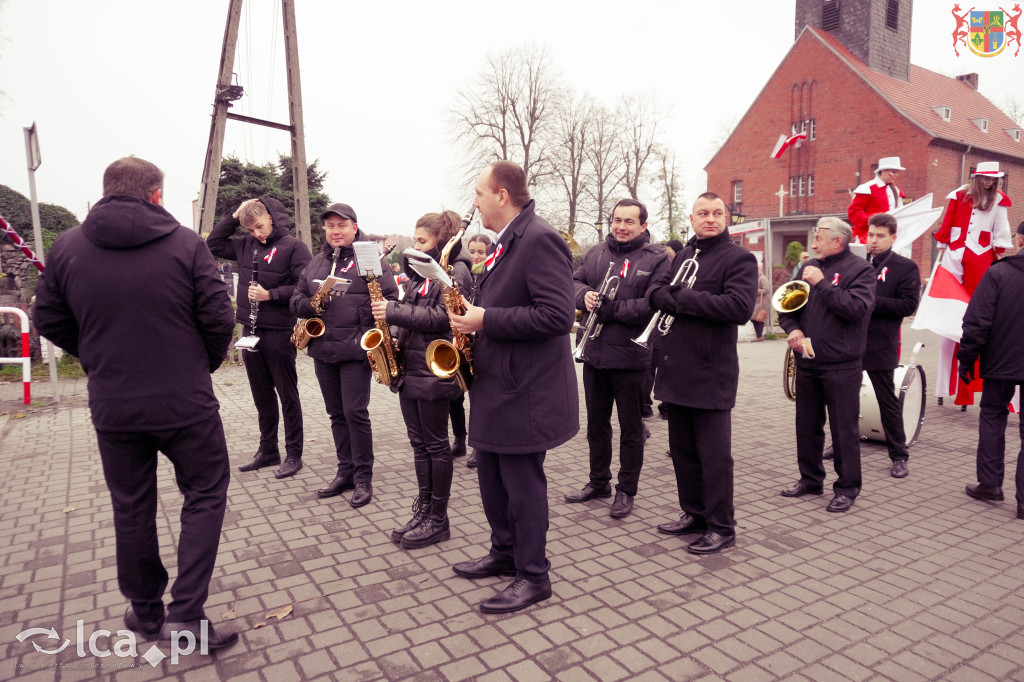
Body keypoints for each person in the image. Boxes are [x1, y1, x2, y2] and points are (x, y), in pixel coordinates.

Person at [32, 157, 238, 649]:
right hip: (184, 403)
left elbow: (49, 319)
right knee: (205, 493)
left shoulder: (67, 247)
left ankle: (146, 614)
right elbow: (218, 317)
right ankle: (185, 615)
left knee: (131, 507)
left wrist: (98, 357)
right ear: (156, 195)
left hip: (114, 404)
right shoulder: (185, 243)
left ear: (105, 192)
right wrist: (197, 366)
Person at [449, 161, 578, 614]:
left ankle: (534, 575)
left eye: (480, 193)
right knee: (491, 478)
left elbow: (558, 317)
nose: (476, 202)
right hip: (497, 386)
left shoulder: (539, 238)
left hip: (526, 392)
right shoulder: (508, 240)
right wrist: (472, 312)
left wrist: (486, 319)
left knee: (523, 486)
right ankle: (504, 553)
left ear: (502, 194)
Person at [647, 193, 757, 554]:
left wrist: (684, 299)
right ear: (691, 218)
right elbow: (657, 292)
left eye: (717, 213)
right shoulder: (682, 256)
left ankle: (722, 526)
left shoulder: (738, 258)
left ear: (726, 217)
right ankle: (694, 513)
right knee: (682, 451)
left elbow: (739, 308)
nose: (710, 219)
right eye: (703, 214)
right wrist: (672, 296)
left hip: (711, 372)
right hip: (676, 368)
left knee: (714, 457)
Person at [564, 199, 671, 518]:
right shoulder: (595, 252)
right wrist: (583, 295)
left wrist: (612, 309)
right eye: (617, 220)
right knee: (596, 425)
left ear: (643, 226)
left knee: (630, 429)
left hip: (631, 355)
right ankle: (599, 481)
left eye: (629, 221)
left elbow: (653, 303)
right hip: (594, 353)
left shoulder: (657, 258)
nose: (621, 226)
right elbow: (573, 281)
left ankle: (626, 490)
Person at [372, 211, 472, 549]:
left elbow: (446, 319)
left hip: (434, 370)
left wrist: (393, 312)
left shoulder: (456, 271)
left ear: (441, 241)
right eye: (415, 240)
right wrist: (395, 335)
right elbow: (410, 309)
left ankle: (438, 519)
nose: (415, 246)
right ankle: (424, 508)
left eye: (422, 241)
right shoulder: (419, 269)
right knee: (419, 446)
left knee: (436, 446)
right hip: (410, 367)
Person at [291, 203, 399, 508]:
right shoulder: (316, 262)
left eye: (341, 225)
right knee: (336, 414)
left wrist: (361, 316)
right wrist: (311, 305)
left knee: (355, 414)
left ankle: (364, 478)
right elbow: (296, 299)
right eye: (330, 226)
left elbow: (389, 299)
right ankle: (345, 472)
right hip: (323, 349)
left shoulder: (370, 259)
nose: (335, 231)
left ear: (354, 227)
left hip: (355, 349)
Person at [207, 196, 311, 479]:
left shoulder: (294, 247)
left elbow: (307, 288)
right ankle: (268, 450)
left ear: (271, 218)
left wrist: (271, 295)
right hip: (250, 329)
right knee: (261, 394)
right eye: (251, 229)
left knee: (286, 394)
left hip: (279, 330)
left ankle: (293, 454)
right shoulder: (244, 244)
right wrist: (235, 213)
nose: (257, 233)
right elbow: (212, 244)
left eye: (260, 226)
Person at [778, 217, 876, 513]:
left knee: (843, 428)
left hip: (841, 364)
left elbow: (855, 309)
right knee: (806, 425)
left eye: (819, 237)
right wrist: (792, 328)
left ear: (839, 241)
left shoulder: (861, 271)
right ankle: (810, 478)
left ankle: (847, 487)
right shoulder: (809, 269)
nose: (814, 243)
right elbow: (786, 306)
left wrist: (821, 284)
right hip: (808, 362)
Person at [933, 162, 1013, 406]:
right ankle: (949, 382)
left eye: (993, 180)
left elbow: (1001, 230)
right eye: (985, 179)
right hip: (954, 254)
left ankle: (969, 385)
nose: (989, 183)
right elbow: (948, 221)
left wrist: (997, 252)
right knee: (951, 311)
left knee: (975, 312)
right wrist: (943, 242)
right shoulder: (958, 195)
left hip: (981, 256)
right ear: (976, 177)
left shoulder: (999, 200)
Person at [958, 243, 1024, 520]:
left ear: (1020, 242)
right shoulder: (999, 272)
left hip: (1001, 362)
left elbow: (977, 321)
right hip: (1002, 362)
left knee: (993, 416)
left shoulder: (999, 273)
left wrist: (967, 358)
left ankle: (990, 483)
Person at [863, 213, 921, 478]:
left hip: (880, 344)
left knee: (887, 400)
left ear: (893, 238)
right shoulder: (858, 263)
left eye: (880, 236)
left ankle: (899, 455)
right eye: (870, 235)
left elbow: (909, 305)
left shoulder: (905, 267)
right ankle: (842, 443)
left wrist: (869, 300)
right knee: (844, 399)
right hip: (850, 343)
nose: (873, 240)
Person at [453, 232, 492, 469]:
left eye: (481, 252)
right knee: (454, 394)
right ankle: (459, 439)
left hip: (482, 340)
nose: (476, 256)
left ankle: (479, 446)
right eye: (473, 251)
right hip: (461, 338)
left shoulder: (491, 276)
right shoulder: (464, 274)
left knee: (478, 397)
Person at [848, 156, 906, 244]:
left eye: (897, 172)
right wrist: (873, 222)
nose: (897, 175)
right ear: (883, 171)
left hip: (889, 236)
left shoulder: (896, 190)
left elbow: (900, 211)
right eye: (894, 172)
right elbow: (854, 212)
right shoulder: (868, 188)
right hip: (869, 236)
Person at [751, 261, 771, 342]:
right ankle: (758, 336)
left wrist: (754, 290)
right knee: (754, 318)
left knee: (758, 318)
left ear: (759, 269)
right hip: (758, 302)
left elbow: (766, 290)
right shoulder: (757, 278)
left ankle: (759, 336)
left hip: (762, 302)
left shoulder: (763, 278)